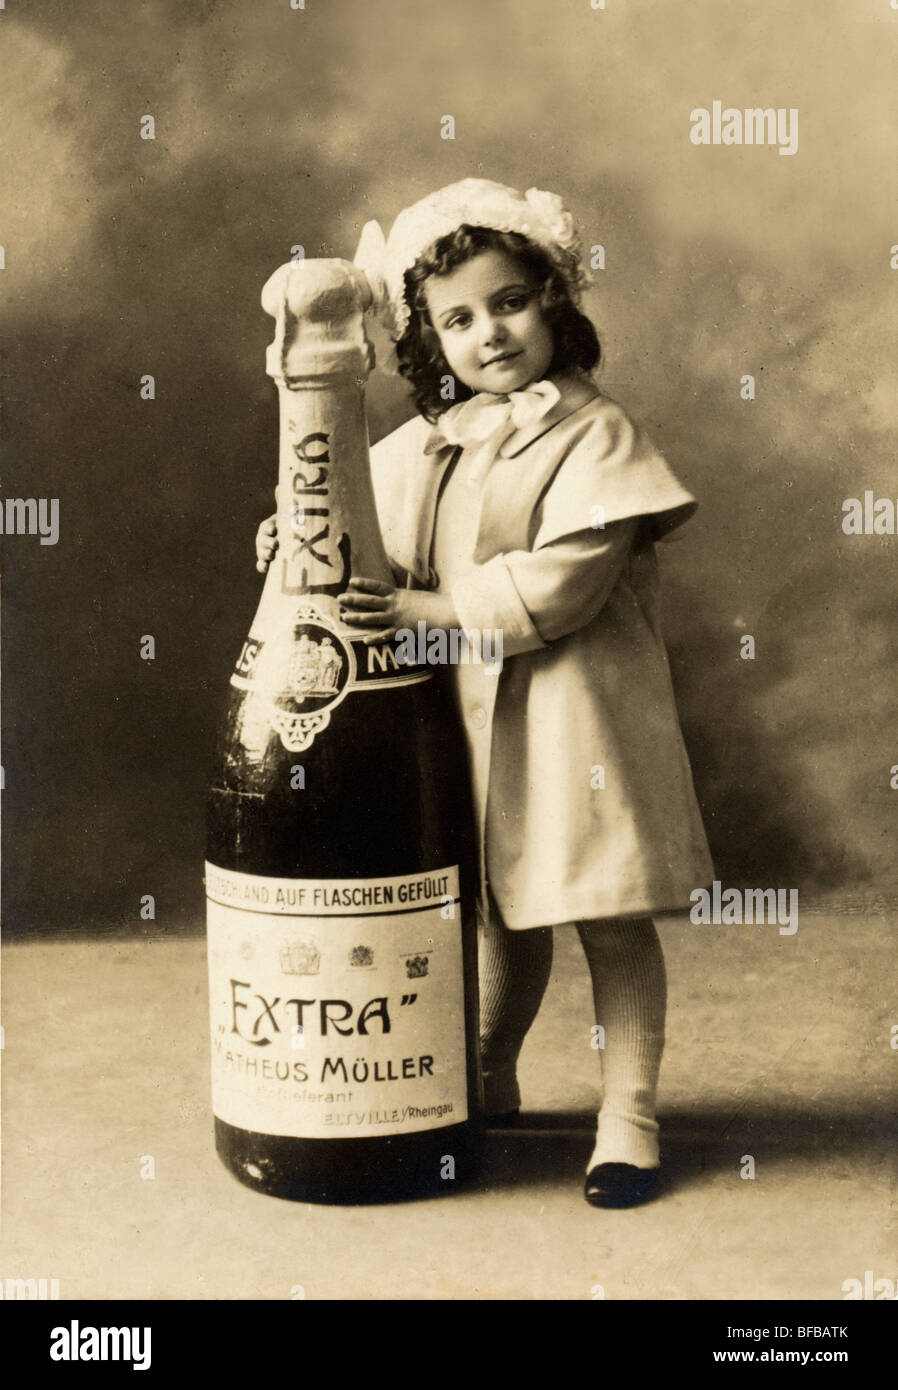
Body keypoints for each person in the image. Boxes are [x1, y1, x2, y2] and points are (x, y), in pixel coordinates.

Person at [256, 179, 714, 1207]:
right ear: (427, 337)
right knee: (496, 910)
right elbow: (339, 505)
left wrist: (430, 612)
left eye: (508, 301)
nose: (488, 332)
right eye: (456, 318)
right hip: (471, 714)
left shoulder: (597, 435)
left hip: (572, 716)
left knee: (602, 910)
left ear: (553, 299)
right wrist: (295, 533)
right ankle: (486, 1071)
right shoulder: (432, 438)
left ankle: (626, 1116)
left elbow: (571, 575)